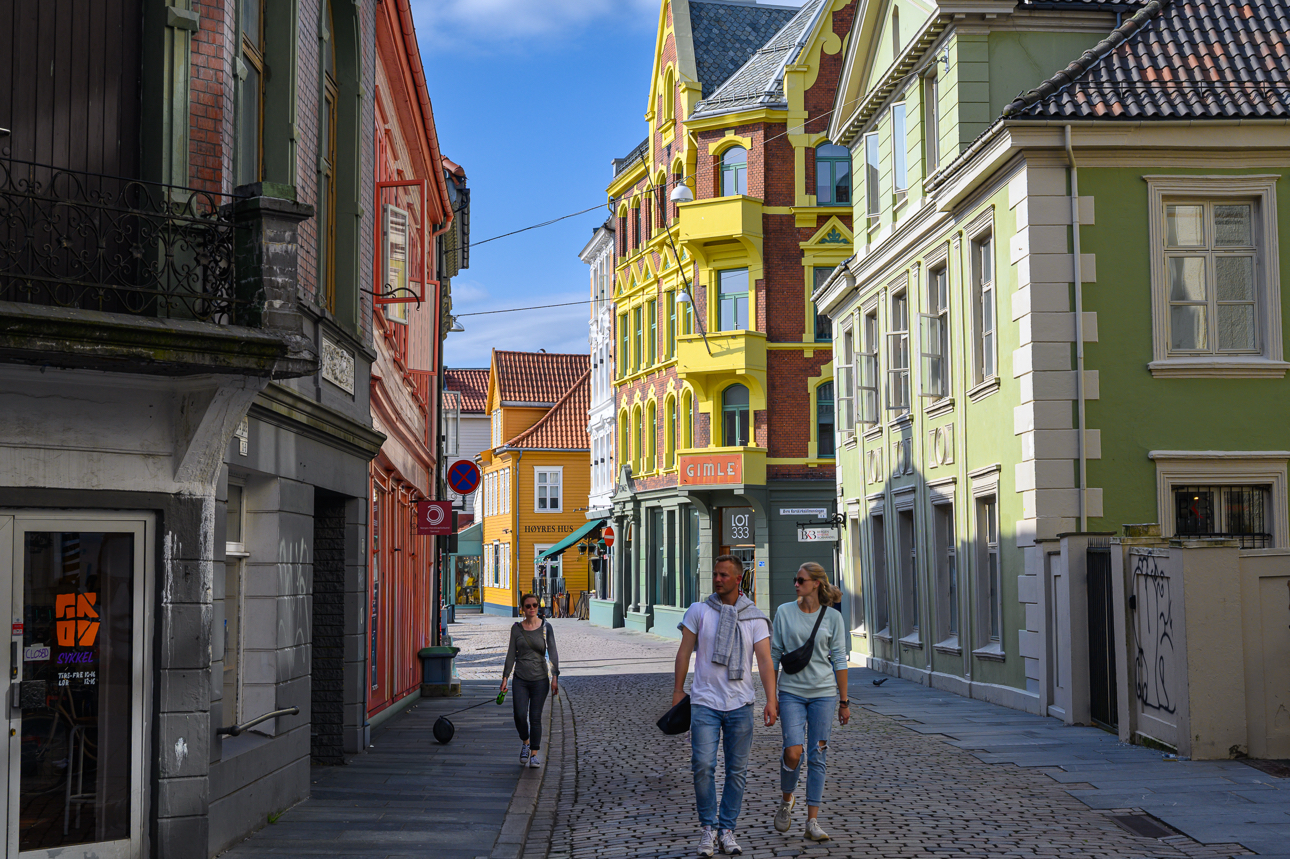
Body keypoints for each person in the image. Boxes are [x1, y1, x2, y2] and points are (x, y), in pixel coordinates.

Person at [673, 555, 778, 857]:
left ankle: (726, 830)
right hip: (704, 702)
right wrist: (678, 691)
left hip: (740, 704)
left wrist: (771, 700)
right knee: (703, 766)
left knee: (737, 771)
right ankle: (708, 828)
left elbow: (765, 661)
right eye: (715, 574)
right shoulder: (699, 611)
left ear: (738, 579)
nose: (717, 579)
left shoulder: (754, 617)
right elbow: (684, 652)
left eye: (724, 575)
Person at [769, 562, 849, 842]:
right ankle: (787, 799)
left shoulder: (833, 618)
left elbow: (839, 658)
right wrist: (770, 697)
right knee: (793, 751)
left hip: (824, 695)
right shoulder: (784, 612)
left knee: (817, 755)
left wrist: (844, 700)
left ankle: (812, 822)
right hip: (790, 692)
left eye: (801, 580)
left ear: (816, 583)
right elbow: (774, 654)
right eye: (795, 579)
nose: (796, 584)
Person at [501, 593, 559, 768]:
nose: (532, 608)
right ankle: (525, 742)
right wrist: (505, 678)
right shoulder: (516, 629)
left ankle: (534, 753)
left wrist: (555, 676)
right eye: (528, 606)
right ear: (522, 609)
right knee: (519, 715)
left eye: (535, 605)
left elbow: (553, 653)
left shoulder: (546, 628)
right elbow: (511, 654)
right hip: (520, 679)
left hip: (540, 680)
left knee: (535, 717)